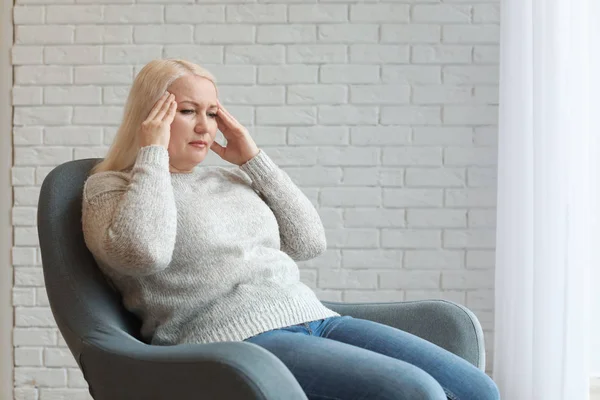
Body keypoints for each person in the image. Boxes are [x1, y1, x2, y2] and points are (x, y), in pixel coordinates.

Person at [82, 59, 500, 400]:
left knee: (477, 390)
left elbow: (308, 241)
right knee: (416, 392)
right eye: (187, 111)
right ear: (151, 116)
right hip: (236, 341)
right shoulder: (112, 188)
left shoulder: (229, 180)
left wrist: (253, 159)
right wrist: (152, 153)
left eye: (212, 113)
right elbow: (143, 254)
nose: (205, 126)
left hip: (313, 318)